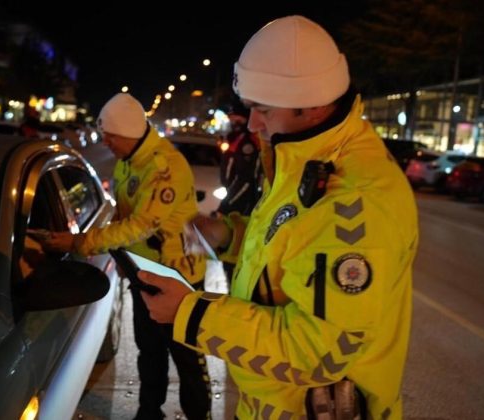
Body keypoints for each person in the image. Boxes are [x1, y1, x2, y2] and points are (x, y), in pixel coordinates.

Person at [137, 15, 418, 419]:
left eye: (262, 109)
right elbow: (293, 242)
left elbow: (320, 352)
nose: (252, 124)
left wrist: (190, 313)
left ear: (313, 104)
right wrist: (229, 236)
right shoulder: (303, 155)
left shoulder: (355, 201)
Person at [39, 93, 212, 420]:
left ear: (128, 134)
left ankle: (199, 416)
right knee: (150, 351)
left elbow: (140, 226)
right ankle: (149, 412)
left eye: (110, 137)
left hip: (178, 276)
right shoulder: (127, 162)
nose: (106, 143)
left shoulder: (164, 167)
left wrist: (81, 242)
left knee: (188, 357)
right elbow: (121, 216)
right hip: (145, 273)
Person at [217, 104, 263, 217]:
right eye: (232, 119)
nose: (234, 122)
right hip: (232, 194)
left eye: (238, 119)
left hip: (241, 203)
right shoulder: (236, 138)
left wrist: (226, 205)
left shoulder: (247, 143)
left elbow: (245, 179)